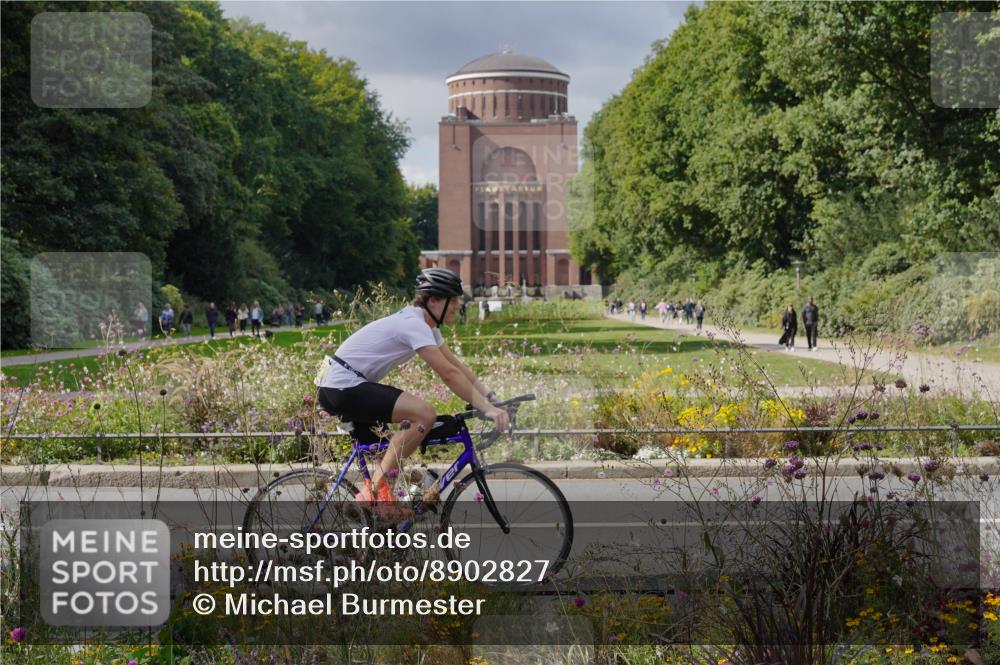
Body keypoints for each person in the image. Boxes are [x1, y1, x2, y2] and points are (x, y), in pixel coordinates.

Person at [317, 268, 509, 520]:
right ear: (433, 301)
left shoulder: (426, 326)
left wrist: (492, 399)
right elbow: (448, 374)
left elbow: (458, 367)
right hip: (343, 386)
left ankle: (378, 519)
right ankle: (374, 494)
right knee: (424, 414)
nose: (457, 306)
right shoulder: (414, 324)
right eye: (452, 300)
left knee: (385, 453)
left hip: (346, 385)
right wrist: (488, 408)